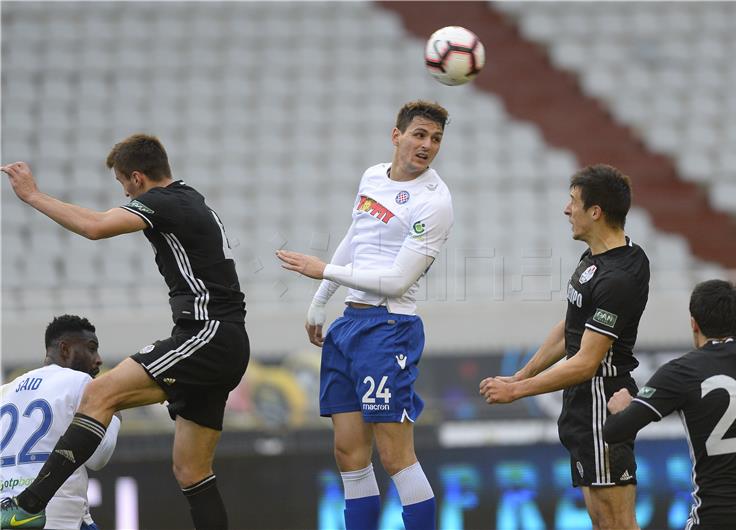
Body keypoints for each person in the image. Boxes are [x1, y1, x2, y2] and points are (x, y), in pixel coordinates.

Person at [1, 134, 249, 530]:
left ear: (136, 178)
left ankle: (27, 506)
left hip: (206, 334)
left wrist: (33, 196)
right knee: (191, 470)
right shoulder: (191, 199)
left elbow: (95, 226)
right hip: (224, 340)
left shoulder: (165, 201)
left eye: (122, 184)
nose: (124, 193)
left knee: (98, 393)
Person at [276, 100, 453, 530]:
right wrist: (322, 298)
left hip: (389, 328)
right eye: (419, 134)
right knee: (348, 455)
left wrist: (323, 269)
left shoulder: (435, 201)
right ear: (397, 136)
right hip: (348, 326)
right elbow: (356, 235)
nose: (426, 144)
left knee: (395, 456)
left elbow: (395, 281)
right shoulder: (373, 176)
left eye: (435, 139)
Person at [479, 164, 649, 530]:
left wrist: (517, 391)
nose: (566, 209)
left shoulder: (618, 278)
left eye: (573, 201)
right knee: (601, 518)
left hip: (602, 402)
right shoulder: (598, 259)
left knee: (617, 521)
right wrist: (522, 373)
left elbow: (586, 362)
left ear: (596, 212)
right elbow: (570, 326)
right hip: (582, 404)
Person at [604, 279, 736, 530]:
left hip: (718, 516)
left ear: (694, 323)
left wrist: (621, 410)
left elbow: (615, 431)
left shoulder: (680, 372)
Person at [0, 315, 119, 530]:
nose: (99, 358)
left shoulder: (4, 391)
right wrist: (113, 411)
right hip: (60, 518)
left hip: (9, 516)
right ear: (65, 349)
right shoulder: (80, 382)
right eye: (91, 349)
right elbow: (98, 458)